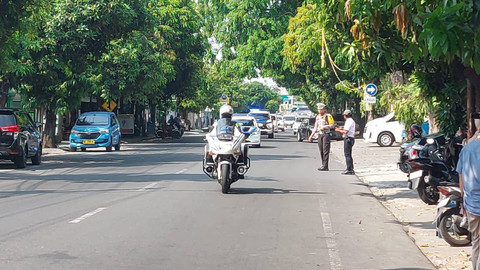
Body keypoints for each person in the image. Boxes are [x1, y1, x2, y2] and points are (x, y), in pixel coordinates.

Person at [456, 137, 480, 270]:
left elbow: (460, 176)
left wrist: (463, 199)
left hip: (471, 203)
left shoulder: (467, 149)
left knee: (476, 241)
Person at [309, 103, 335, 171]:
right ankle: (323, 164)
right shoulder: (317, 117)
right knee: (321, 150)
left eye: (321, 109)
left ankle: (325, 166)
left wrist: (325, 127)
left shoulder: (328, 116)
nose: (319, 111)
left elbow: (332, 125)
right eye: (318, 109)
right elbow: (315, 127)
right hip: (320, 135)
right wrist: (311, 136)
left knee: (325, 150)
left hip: (326, 134)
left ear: (324, 109)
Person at [335, 110, 356, 175]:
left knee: (347, 154)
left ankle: (349, 169)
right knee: (349, 154)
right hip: (350, 138)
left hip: (348, 139)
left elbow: (345, 131)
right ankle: (351, 168)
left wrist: (338, 130)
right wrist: (340, 129)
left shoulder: (348, 121)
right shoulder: (351, 121)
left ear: (345, 116)